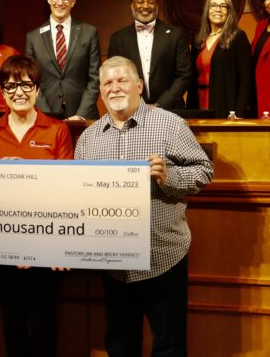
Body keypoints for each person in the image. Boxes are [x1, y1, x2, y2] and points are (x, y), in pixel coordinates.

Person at [74, 56, 213, 357]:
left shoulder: (170, 126)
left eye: (122, 80)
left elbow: (204, 171)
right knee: (120, 345)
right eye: (107, 83)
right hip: (114, 265)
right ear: (100, 91)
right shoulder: (88, 140)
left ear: (139, 85)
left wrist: (170, 175)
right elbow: (77, 196)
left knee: (169, 347)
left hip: (162, 257)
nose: (115, 88)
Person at [0, 56, 73, 356]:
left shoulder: (56, 130)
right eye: (10, 86)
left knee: (44, 323)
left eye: (26, 85)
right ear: (2, 92)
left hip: (46, 245)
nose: (19, 92)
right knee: (12, 322)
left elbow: (67, 190)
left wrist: (55, 246)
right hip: (4, 245)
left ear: (37, 89)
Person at [26, 0, 101, 120]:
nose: (60, 2)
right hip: (46, 117)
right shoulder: (33, 38)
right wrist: (48, 115)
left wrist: (80, 115)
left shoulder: (89, 33)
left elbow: (95, 78)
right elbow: (31, 81)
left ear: (73, 1)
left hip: (83, 117)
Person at [107, 0, 192, 110]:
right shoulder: (118, 39)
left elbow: (184, 74)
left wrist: (161, 104)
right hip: (131, 110)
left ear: (157, 7)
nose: (145, 6)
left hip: (171, 110)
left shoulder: (176, 34)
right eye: (140, 2)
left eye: (150, 2)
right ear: (132, 6)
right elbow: (114, 77)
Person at [186, 0, 252, 117]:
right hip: (199, 106)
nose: (218, 9)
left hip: (226, 107)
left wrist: (239, 112)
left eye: (223, 6)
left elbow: (246, 79)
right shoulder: (198, 40)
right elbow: (192, 78)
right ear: (207, 10)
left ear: (229, 11)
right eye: (213, 5)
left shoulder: (238, 37)